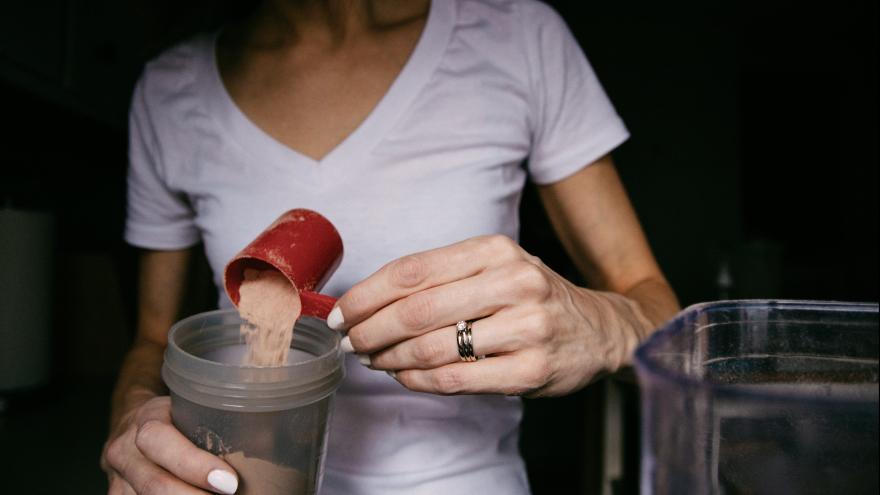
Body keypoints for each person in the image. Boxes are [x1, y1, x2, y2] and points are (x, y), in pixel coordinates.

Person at [101, 0, 680, 493]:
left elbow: (657, 311)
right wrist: (132, 413)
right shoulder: (169, 91)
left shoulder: (517, 37)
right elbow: (153, 338)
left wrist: (604, 325)